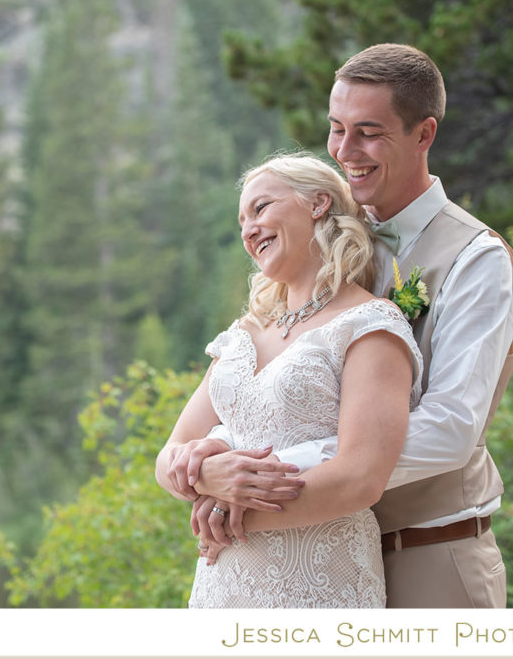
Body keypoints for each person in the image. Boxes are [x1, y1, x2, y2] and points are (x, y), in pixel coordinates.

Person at [165, 44, 513, 608]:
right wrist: (219, 458)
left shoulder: (475, 258)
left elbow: (451, 427)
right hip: (305, 552)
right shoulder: (318, 246)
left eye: (368, 133)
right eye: (337, 129)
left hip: (429, 551)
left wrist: (265, 478)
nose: (344, 151)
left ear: (424, 134)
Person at [156, 152, 424, 608]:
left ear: (318, 203)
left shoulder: (369, 323)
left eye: (260, 208)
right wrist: (203, 473)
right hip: (223, 585)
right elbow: (169, 454)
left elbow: (361, 477)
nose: (248, 230)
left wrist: (232, 511)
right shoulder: (244, 333)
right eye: (242, 222)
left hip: (322, 582)